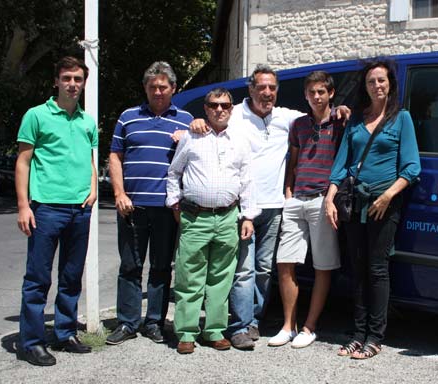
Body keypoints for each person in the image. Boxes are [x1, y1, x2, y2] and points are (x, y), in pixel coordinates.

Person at [190, 65, 349, 350]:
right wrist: (193, 124)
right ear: (250, 89)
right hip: (245, 207)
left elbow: (319, 112)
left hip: (276, 206)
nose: (267, 92)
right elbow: (212, 119)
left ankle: (254, 321)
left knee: (265, 269)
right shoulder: (235, 113)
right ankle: (239, 325)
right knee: (243, 270)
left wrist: (340, 110)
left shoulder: (287, 117)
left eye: (272, 88)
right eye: (261, 87)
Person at [325, 59, 421, 360]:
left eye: (381, 80)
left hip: (383, 206)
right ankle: (358, 333)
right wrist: (330, 198)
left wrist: (388, 196)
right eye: (371, 81)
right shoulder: (355, 120)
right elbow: (341, 164)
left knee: (377, 270)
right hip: (354, 204)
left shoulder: (401, 118)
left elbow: (411, 167)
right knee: (357, 269)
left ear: (390, 83)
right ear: (364, 87)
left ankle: (375, 336)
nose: (377, 85)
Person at [15, 56, 98, 366]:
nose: (72, 84)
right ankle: (31, 342)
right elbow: (23, 161)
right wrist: (23, 206)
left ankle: (65, 333)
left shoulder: (87, 121)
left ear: (83, 82)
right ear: (56, 81)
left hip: (80, 210)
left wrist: (92, 189)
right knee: (37, 279)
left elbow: (90, 160)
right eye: (67, 78)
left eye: (78, 79)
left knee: (71, 276)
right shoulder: (36, 116)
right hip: (46, 208)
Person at [166, 88, 260, 354]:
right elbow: (174, 173)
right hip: (196, 217)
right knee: (189, 276)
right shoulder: (192, 137)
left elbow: (247, 181)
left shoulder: (240, 141)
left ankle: (215, 330)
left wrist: (248, 216)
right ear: (206, 109)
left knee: (221, 278)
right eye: (214, 105)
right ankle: (185, 332)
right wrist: (174, 203)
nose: (220, 110)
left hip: (228, 216)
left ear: (232, 109)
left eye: (226, 105)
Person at [106, 62, 192, 346]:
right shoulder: (128, 117)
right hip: (132, 206)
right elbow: (115, 156)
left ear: (173, 89)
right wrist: (119, 193)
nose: (158, 91)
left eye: (163, 87)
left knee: (160, 267)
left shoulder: (186, 120)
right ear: (145, 88)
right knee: (130, 266)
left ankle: (154, 322)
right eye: (152, 86)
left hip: (167, 208)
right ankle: (128, 322)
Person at [268, 71, 344, 349]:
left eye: (321, 92)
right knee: (284, 262)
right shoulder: (298, 124)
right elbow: (293, 161)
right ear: (305, 95)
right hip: (296, 199)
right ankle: (288, 326)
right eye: (311, 92)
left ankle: (310, 327)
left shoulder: (340, 122)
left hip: (323, 200)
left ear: (331, 94)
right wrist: (288, 192)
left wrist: (342, 111)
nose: (316, 96)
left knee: (322, 265)